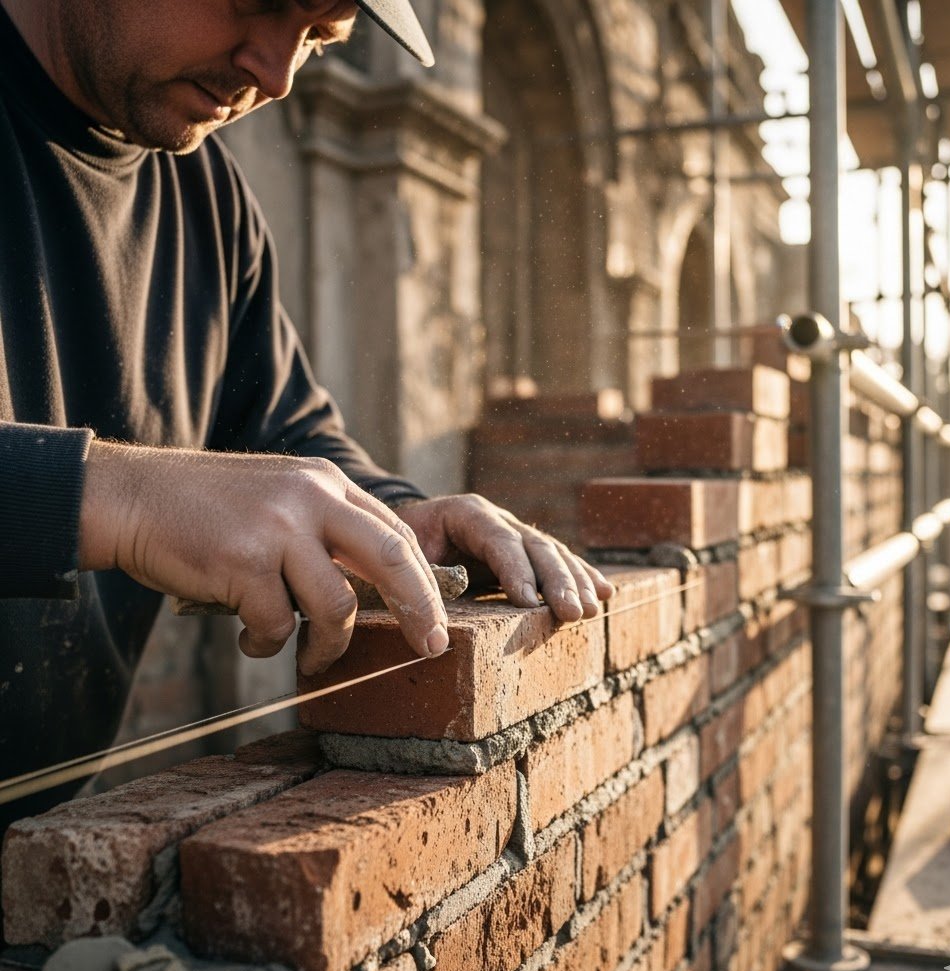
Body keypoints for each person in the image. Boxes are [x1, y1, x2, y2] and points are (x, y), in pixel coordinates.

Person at [0, 0, 614, 831]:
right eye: (258, 3)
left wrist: (397, 518)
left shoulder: (206, 197)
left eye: (320, 38)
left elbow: (289, 432)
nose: (278, 73)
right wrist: (125, 497)